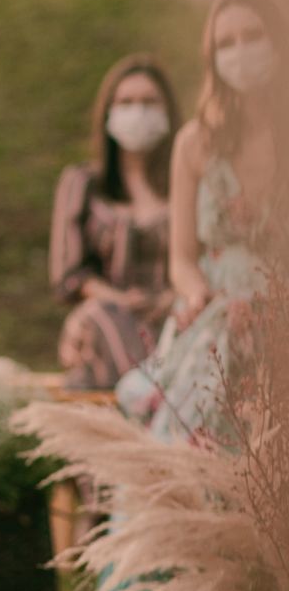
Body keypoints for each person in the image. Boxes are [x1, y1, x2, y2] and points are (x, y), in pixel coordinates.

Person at [106, 0, 283, 591]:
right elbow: (183, 254)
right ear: (211, 57)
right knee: (198, 403)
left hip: (280, 296)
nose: (240, 53)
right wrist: (199, 294)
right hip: (218, 298)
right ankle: (195, 553)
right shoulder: (195, 143)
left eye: (251, 36)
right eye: (225, 43)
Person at [49, 55, 178, 391]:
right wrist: (120, 302)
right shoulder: (84, 183)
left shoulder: (186, 185)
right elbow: (70, 275)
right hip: (107, 318)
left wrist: (165, 301)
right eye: (127, 102)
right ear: (108, 112)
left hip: (174, 317)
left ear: (168, 111)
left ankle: (146, 398)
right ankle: (149, 400)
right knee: (100, 319)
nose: (138, 111)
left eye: (150, 102)